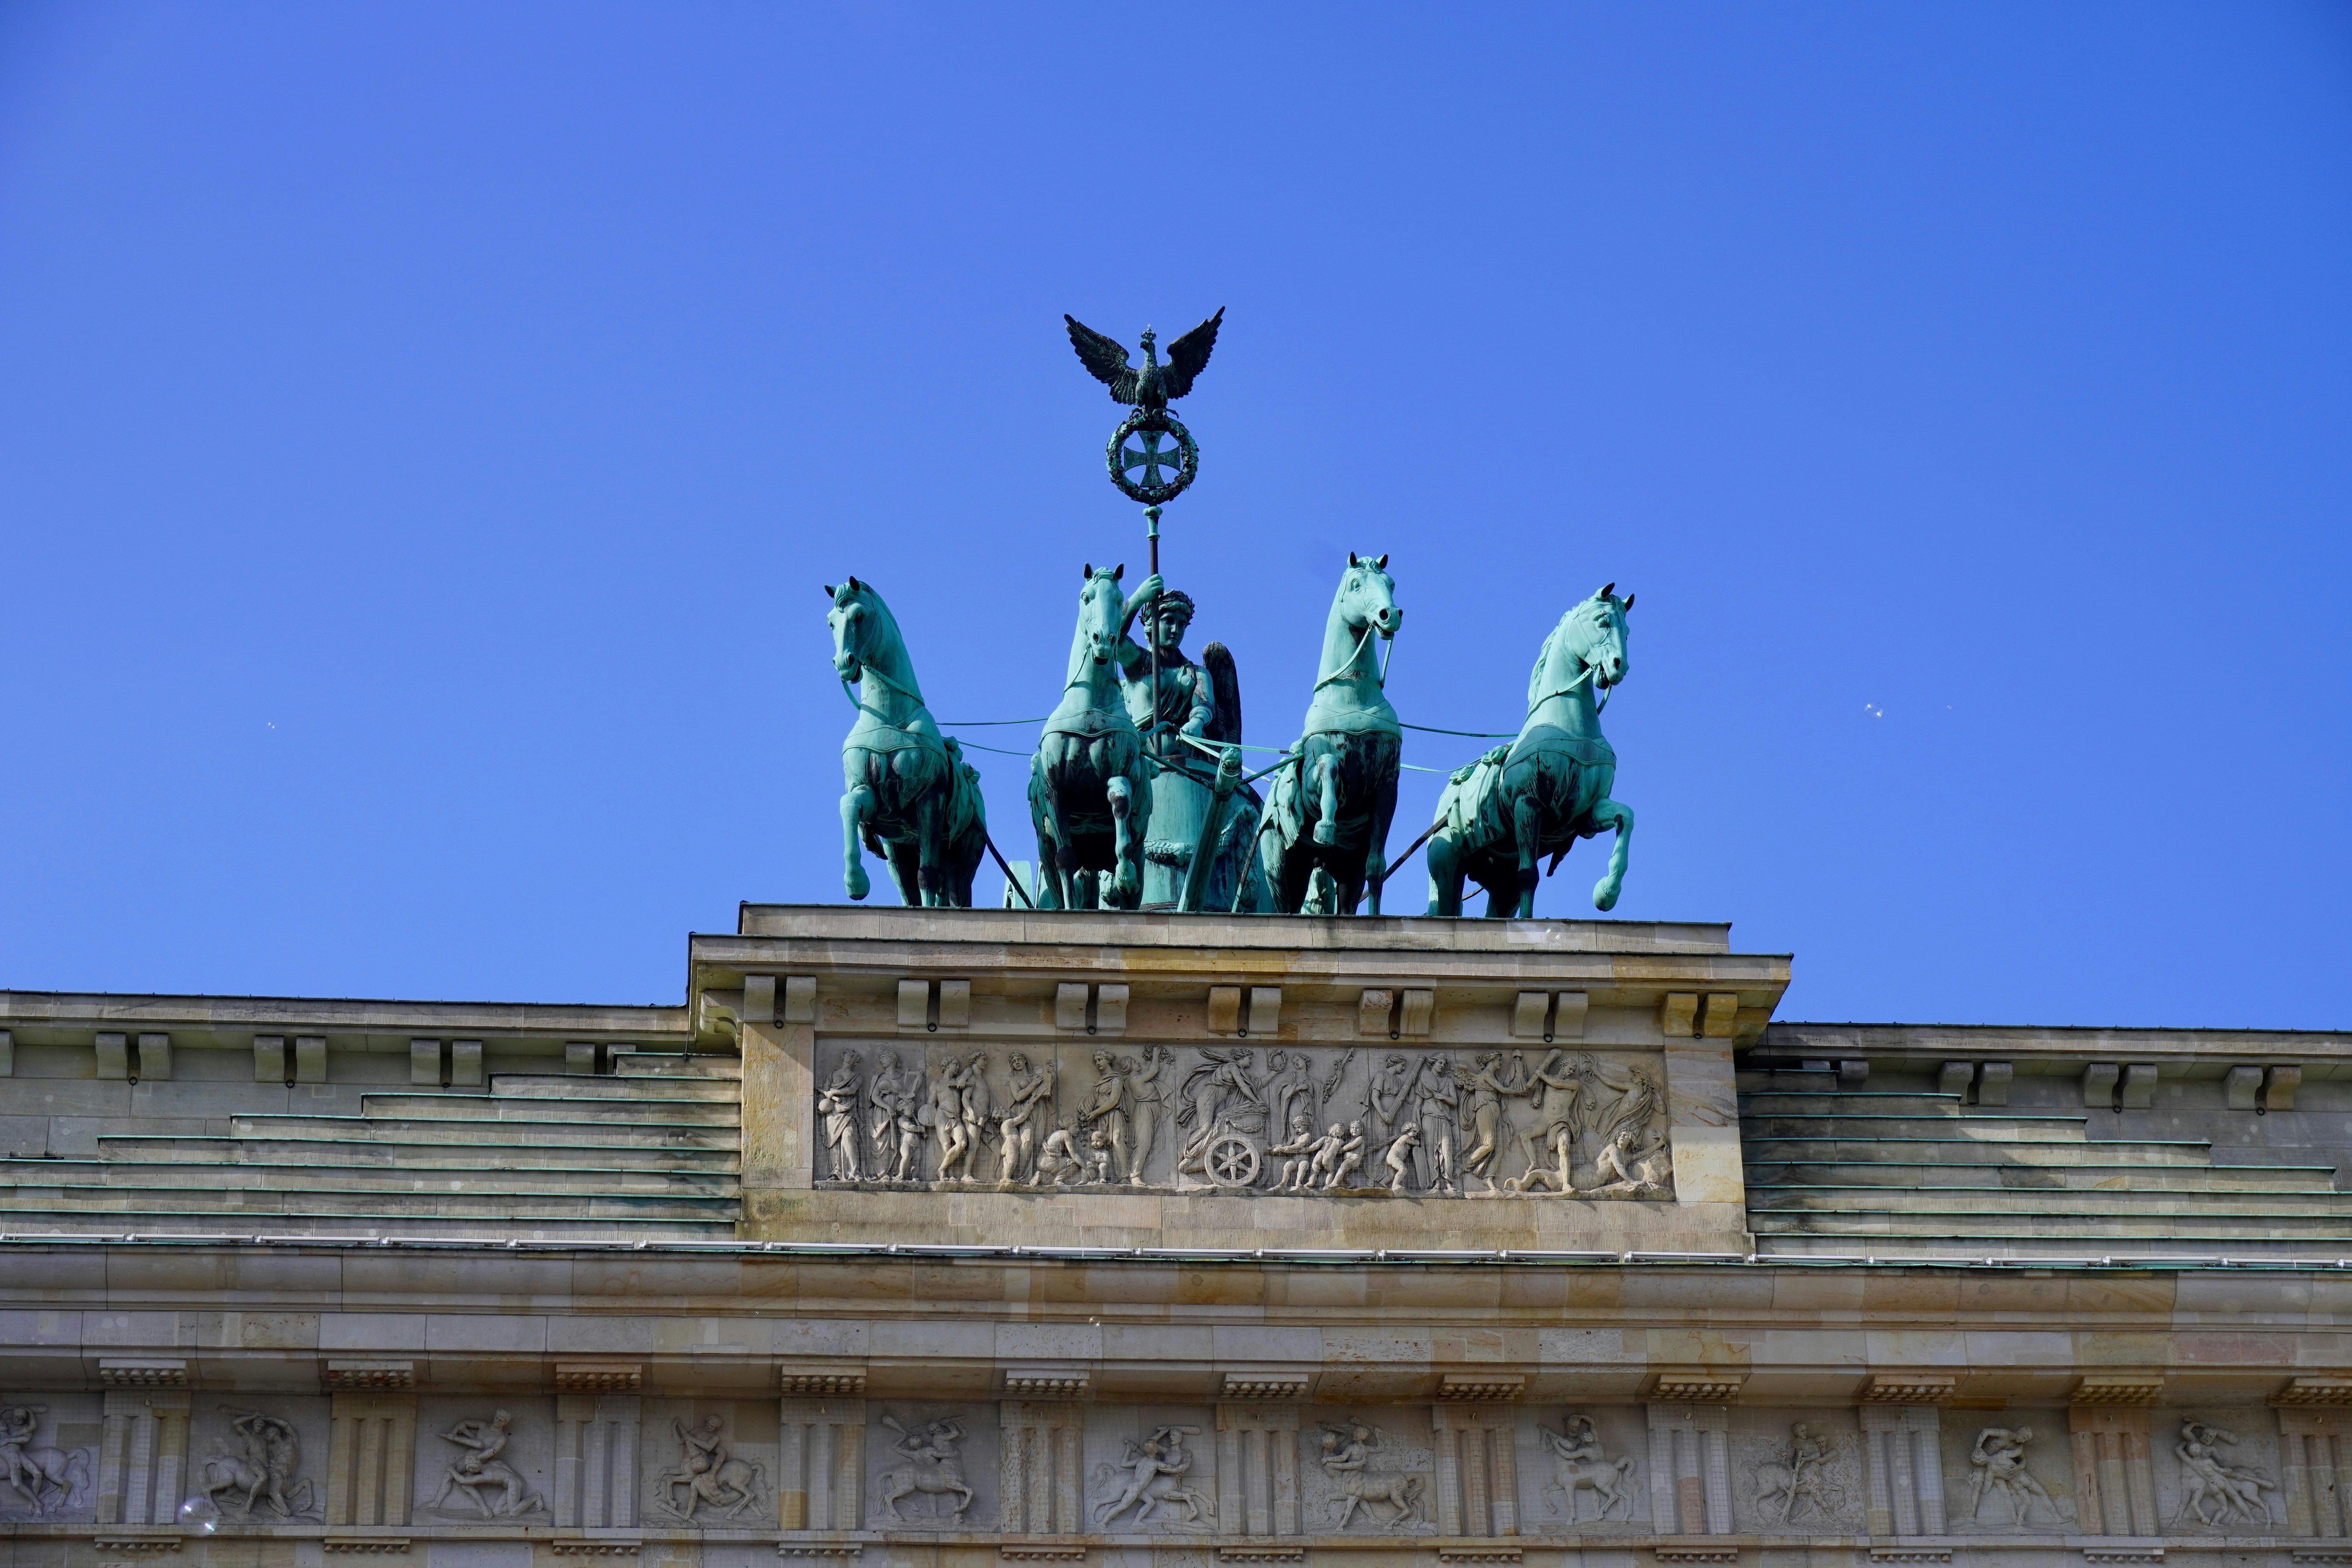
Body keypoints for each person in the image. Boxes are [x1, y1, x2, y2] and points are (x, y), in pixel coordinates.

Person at [819, 1051, 862, 1181]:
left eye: (853, 1056)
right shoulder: (832, 1074)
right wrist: (823, 1106)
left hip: (848, 1111)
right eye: (848, 1054)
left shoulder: (857, 1076)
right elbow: (825, 1093)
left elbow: (852, 1090)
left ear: (856, 1061)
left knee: (849, 1137)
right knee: (834, 1142)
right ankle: (836, 1172)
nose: (850, 1057)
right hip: (833, 1112)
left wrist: (835, 1091)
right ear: (843, 1057)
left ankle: (854, 1171)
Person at [1269, 1112, 1321, 1191]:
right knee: (1287, 1166)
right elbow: (1287, 1145)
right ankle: (1284, 1182)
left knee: (1303, 1166)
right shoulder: (1294, 1136)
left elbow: (1301, 1144)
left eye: (1299, 1127)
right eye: (1295, 1128)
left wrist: (1289, 1148)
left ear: (1305, 1126)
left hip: (1303, 1159)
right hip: (1294, 1159)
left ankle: (1298, 1181)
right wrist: (1279, 1147)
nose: (1297, 1130)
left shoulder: (1307, 1135)